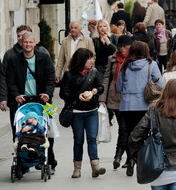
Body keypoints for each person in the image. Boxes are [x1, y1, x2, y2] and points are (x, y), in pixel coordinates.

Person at [5, 31, 57, 171]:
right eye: (25, 42)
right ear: (21, 43)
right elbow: (11, 82)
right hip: (22, 101)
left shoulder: (44, 58)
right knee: (19, 129)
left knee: (48, 130)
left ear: (35, 43)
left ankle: (48, 159)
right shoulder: (14, 60)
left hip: (43, 100)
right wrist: (15, 95)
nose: (28, 45)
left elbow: (51, 79)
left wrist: (48, 93)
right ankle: (23, 161)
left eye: (30, 42)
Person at [59, 48, 106, 178]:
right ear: (81, 60)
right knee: (78, 140)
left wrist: (95, 91)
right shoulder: (69, 74)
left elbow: (101, 87)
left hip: (92, 110)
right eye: (89, 58)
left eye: (92, 58)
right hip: (76, 112)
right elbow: (63, 93)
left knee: (92, 138)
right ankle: (77, 168)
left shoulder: (94, 72)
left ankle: (95, 166)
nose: (92, 61)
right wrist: (77, 96)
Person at [118, 41, 162, 176]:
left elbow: (119, 87)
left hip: (127, 105)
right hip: (145, 105)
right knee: (144, 133)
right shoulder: (151, 65)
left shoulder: (124, 66)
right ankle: (141, 160)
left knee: (130, 133)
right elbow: (161, 84)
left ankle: (131, 158)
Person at [101, 34, 131, 170]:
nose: (122, 48)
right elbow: (107, 77)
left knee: (128, 129)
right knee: (124, 128)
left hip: (130, 99)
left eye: (125, 46)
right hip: (115, 98)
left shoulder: (134, 59)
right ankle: (121, 157)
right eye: (120, 46)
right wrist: (103, 98)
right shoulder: (112, 59)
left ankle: (124, 156)